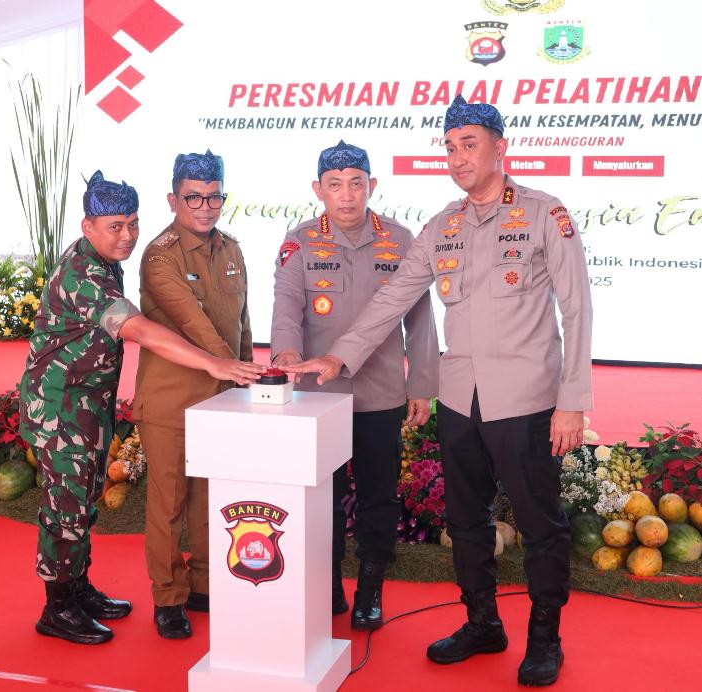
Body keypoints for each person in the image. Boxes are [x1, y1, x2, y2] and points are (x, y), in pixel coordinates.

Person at [285, 96, 593, 686]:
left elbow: (577, 310)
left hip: (526, 400)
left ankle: (545, 639)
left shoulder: (543, 214)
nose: (457, 158)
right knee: (465, 519)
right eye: (450, 148)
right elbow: (392, 300)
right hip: (459, 400)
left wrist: (572, 401)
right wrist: (339, 356)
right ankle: (482, 623)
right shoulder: (441, 226)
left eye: (469, 145)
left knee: (540, 524)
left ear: (500, 148)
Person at [19, 171, 262, 645]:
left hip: (87, 403)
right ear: (88, 226)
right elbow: (140, 330)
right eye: (115, 226)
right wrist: (215, 363)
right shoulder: (83, 275)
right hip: (59, 408)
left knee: (84, 500)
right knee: (65, 508)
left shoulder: (103, 259)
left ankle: (78, 588)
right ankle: (57, 607)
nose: (127, 235)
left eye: (132, 223)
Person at [271, 140, 438, 630]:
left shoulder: (401, 240)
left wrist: (421, 384)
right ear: (318, 189)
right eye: (335, 185)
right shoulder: (299, 241)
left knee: (378, 497)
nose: (346, 195)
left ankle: (370, 589)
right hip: (317, 397)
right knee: (321, 498)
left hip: (379, 393)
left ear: (372, 186)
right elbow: (286, 307)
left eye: (356, 184)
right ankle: (325, 588)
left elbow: (421, 321)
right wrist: (285, 355)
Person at [132, 150, 254, 639]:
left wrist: (248, 382)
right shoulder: (159, 256)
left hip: (220, 399)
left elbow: (243, 324)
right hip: (170, 401)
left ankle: (204, 585)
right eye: (193, 198)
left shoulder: (232, 249)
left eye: (214, 197)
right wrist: (236, 369)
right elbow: (195, 325)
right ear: (173, 199)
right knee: (169, 505)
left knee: (209, 499)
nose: (205, 207)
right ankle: (168, 597)